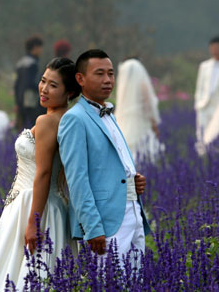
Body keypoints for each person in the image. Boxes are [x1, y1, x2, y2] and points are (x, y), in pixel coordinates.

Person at [0, 58, 80, 291]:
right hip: (52, 207)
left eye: (53, 85)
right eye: (43, 81)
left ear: (69, 91)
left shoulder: (46, 121)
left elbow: (43, 173)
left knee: (22, 273)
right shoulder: (70, 121)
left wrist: (33, 223)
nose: (44, 89)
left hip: (33, 204)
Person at [58, 49, 150, 260]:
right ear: (80, 78)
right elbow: (77, 179)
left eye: (110, 73)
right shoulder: (75, 119)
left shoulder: (109, 114)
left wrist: (132, 181)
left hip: (132, 212)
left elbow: (110, 164)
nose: (107, 80)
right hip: (105, 221)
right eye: (99, 74)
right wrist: (92, 227)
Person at [116, 58, 165, 163]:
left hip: (123, 123)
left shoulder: (123, 88)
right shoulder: (142, 85)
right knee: (145, 154)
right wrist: (154, 124)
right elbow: (149, 107)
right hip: (140, 124)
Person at [194, 36, 219, 154]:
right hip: (204, 105)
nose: (215, 50)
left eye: (217, 48)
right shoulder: (204, 66)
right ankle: (202, 155)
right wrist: (198, 103)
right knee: (202, 133)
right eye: (212, 48)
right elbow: (200, 87)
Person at [14, 35, 45, 130]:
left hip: (20, 101)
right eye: (40, 47)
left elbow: (16, 85)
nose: (41, 50)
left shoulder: (20, 63)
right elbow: (31, 83)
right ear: (35, 47)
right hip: (31, 102)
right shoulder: (32, 64)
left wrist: (17, 102)